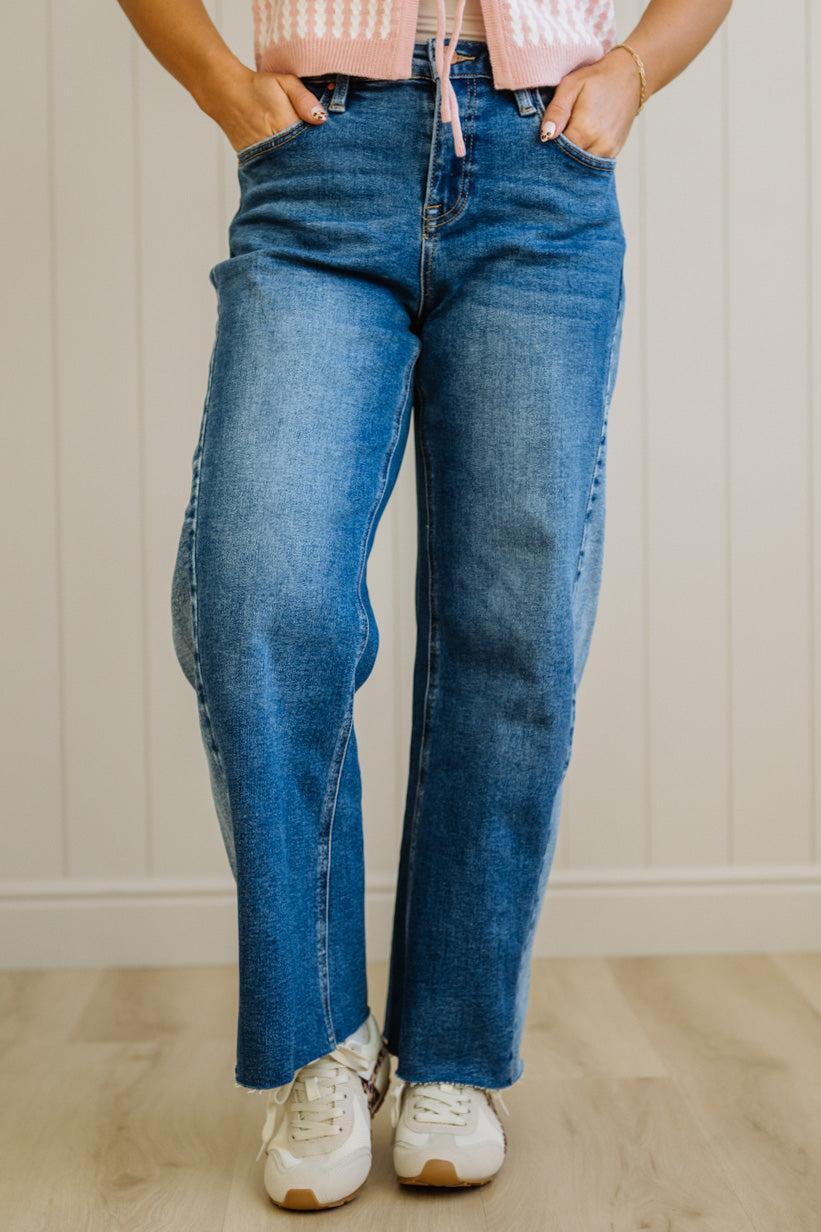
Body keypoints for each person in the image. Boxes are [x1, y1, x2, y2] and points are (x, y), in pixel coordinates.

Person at [119, 0, 731, 1211]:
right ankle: (321, 1038)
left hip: (541, 168)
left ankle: (451, 1055)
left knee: (514, 632)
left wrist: (632, 72)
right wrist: (215, 84)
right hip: (318, 161)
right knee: (260, 595)